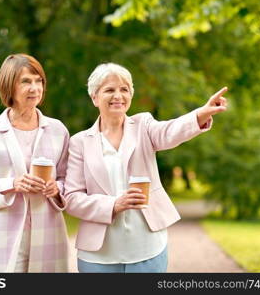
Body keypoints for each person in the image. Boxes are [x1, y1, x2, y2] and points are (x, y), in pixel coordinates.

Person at [64, 62, 227, 273]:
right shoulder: (79, 142)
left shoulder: (144, 125)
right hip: (98, 255)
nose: (118, 95)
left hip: (147, 248)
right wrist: (114, 205)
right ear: (94, 97)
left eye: (124, 89)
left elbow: (170, 131)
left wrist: (201, 114)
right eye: (109, 90)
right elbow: (72, 198)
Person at [0, 53, 70, 272]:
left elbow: (69, 180)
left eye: (39, 81)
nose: (34, 88)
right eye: (26, 81)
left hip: (47, 237)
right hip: (1, 239)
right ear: (9, 86)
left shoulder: (58, 131)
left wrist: (57, 188)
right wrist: (11, 184)